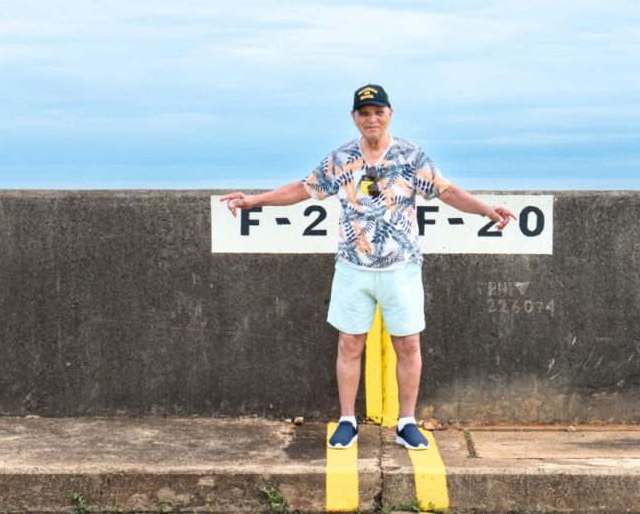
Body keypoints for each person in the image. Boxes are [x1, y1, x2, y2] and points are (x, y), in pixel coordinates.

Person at [221, 84, 516, 450]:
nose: (371, 118)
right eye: (364, 112)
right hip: (353, 268)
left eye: (378, 111)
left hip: (401, 268)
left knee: (408, 344)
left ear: (390, 114)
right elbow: (303, 189)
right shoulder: (342, 158)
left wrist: (488, 210)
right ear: (354, 118)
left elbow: (448, 192)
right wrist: (255, 201)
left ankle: (406, 421)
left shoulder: (411, 156)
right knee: (349, 344)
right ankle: (348, 420)